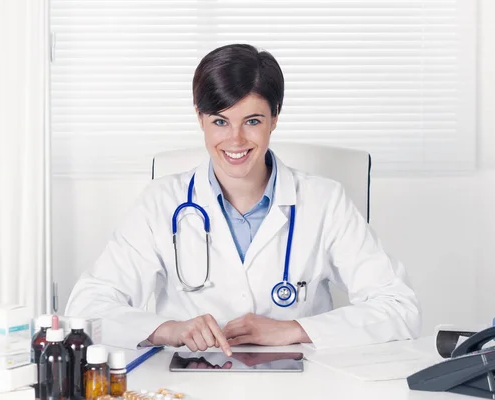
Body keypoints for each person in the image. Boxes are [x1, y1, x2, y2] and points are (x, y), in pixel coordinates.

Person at [65, 44, 421, 354]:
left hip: (304, 384)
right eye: (220, 122)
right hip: (188, 379)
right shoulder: (161, 202)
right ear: (200, 118)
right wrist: (170, 330)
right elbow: (86, 307)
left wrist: (293, 330)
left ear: (275, 118)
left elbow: (399, 308)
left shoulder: (324, 201)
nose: (235, 140)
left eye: (251, 121)